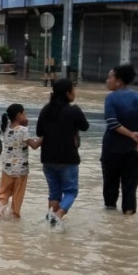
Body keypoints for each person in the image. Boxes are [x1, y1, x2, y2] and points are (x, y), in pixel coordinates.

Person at [36, 78, 90, 228]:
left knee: (54, 193)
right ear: (68, 93)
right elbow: (85, 127)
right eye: (73, 89)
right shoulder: (74, 110)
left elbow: (39, 131)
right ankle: (59, 215)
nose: (75, 93)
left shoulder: (46, 110)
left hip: (47, 158)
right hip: (68, 158)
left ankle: (51, 221)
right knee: (71, 191)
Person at [101, 64, 138, 216]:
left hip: (112, 149)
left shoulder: (111, 98)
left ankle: (110, 220)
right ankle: (128, 218)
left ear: (119, 81)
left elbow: (112, 122)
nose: (107, 80)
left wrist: (131, 134)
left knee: (110, 185)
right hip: (134, 150)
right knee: (130, 187)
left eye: (110, 77)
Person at [0, 103, 41, 220]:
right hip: (21, 170)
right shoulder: (24, 130)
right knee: (17, 197)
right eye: (25, 114)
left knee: (3, 193)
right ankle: (15, 218)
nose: (26, 116)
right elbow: (34, 145)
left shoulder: (6, 129)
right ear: (19, 115)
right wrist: (45, 136)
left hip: (7, 168)